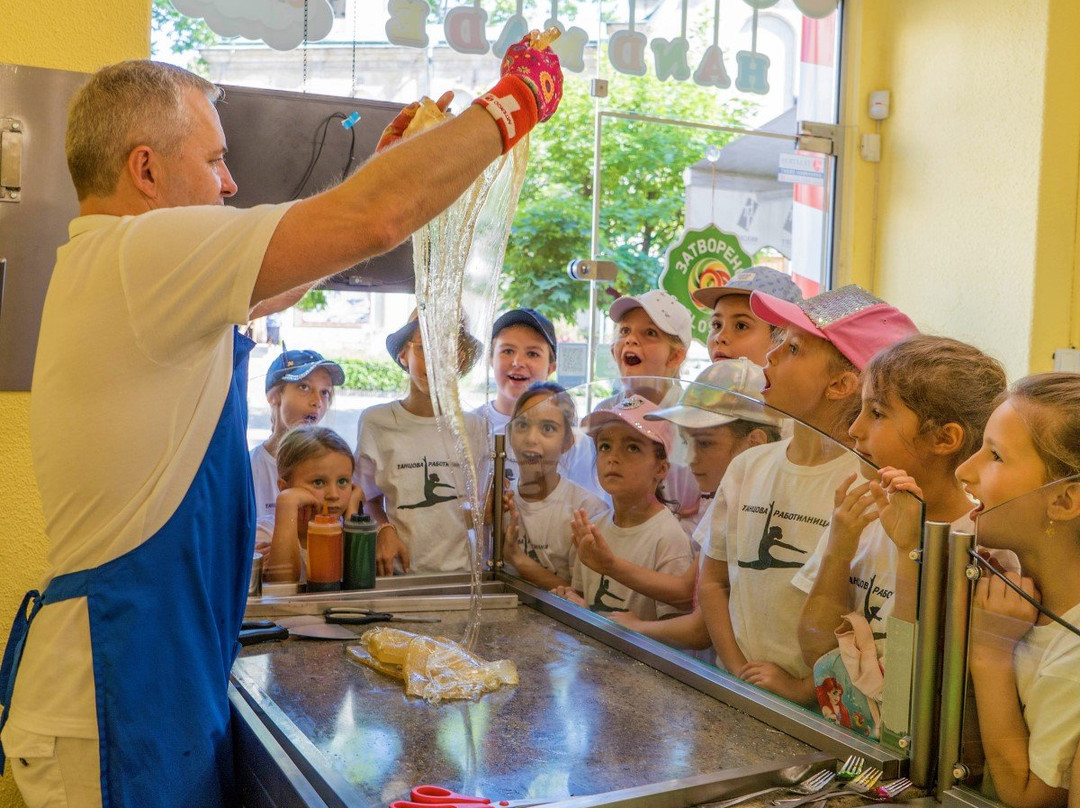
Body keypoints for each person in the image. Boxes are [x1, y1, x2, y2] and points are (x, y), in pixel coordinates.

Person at [0, 42, 562, 808]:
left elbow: (290, 277)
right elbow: (375, 218)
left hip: (151, 671)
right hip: (113, 689)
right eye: (216, 161)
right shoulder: (140, 252)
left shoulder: (125, 271)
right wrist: (512, 105)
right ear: (146, 170)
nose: (231, 184)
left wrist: (386, 173)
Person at [697, 285, 918, 704]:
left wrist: (805, 691)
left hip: (829, 709)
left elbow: (865, 621)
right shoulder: (748, 466)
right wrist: (736, 670)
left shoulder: (868, 487)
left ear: (840, 384)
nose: (771, 355)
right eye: (778, 340)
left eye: (794, 348)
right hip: (748, 689)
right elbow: (713, 581)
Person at [795, 336, 1008, 662]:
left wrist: (911, 551)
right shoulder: (862, 518)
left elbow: (926, 679)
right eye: (861, 408)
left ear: (943, 438)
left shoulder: (985, 548)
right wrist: (837, 552)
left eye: (877, 412)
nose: (854, 428)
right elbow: (814, 650)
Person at [956, 373, 1080, 808]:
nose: (963, 470)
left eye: (995, 456)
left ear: (1063, 501)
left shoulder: (1073, 656)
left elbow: (1028, 799)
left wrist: (989, 653)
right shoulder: (1009, 585)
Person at [608, 358, 784, 650]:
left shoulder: (762, 511)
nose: (690, 460)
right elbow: (687, 588)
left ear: (754, 443)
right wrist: (608, 564)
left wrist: (637, 627)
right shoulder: (724, 501)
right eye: (688, 443)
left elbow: (701, 630)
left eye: (704, 443)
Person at [355, 310, 487, 575]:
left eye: (448, 348)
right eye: (424, 347)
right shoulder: (376, 422)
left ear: (460, 359)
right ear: (404, 355)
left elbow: (480, 507)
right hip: (396, 575)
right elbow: (363, 498)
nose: (437, 361)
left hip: (461, 578)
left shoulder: (475, 427)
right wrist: (384, 529)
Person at [553, 395, 696, 620]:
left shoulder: (667, 537)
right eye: (605, 446)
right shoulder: (596, 526)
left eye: (632, 447)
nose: (613, 457)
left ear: (661, 468)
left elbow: (672, 630)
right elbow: (585, 596)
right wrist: (571, 600)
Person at [501, 383, 609, 589]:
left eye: (548, 428)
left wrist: (518, 558)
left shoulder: (587, 510)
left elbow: (582, 599)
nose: (531, 439)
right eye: (522, 425)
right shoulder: (500, 502)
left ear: (568, 441)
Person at [251, 347, 345, 552]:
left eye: (325, 392)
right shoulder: (247, 469)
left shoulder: (336, 470)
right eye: (304, 387)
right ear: (274, 396)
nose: (317, 402)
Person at [262, 425, 363, 583]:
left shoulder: (348, 530)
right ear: (284, 487)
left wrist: (352, 512)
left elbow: (359, 586)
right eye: (318, 482)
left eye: (342, 481)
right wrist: (286, 504)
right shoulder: (266, 532)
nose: (334, 495)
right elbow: (282, 584)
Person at [474, 307, 557, 486]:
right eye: (508, 351)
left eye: (532, 354)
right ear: (490, 359)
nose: (518, 362)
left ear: (551, 368)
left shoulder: (565, 434)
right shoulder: (469, 428)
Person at [691, 265, 804, 367]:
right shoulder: (704, 389)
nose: (720, 338)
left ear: (783, 340)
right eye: (716, 325)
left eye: (741, 326)